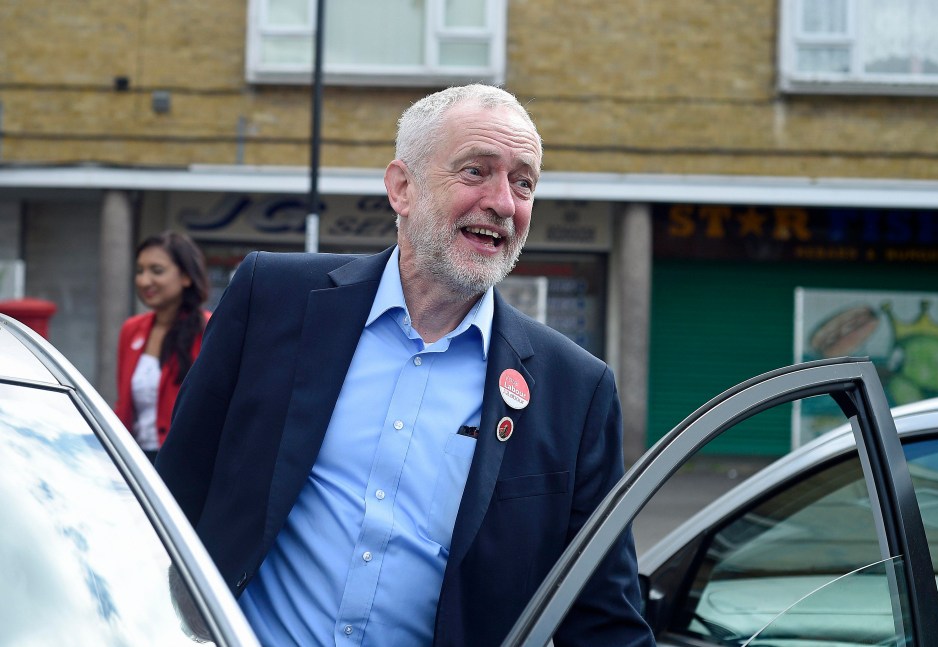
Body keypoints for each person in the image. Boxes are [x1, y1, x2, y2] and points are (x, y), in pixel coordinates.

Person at [155, 84, 653, 646]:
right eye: (475, 171)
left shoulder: (575, 390)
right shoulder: (271, 298)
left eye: (524, 182)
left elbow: (603, 614)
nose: (503, 202)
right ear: (402, 188)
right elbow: (171, 500)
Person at [115, 231, 210, 463]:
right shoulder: (131, 329)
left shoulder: (208, 329)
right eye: (140, 271)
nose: (144, 280)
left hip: (183, 463)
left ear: (186, 277)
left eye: (156, 271)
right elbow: (123, 406)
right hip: (133, 460)